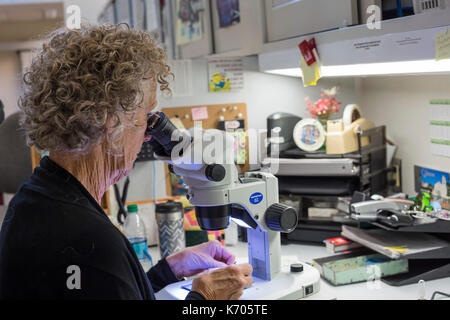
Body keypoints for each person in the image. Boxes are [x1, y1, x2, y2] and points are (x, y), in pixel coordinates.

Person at [0, 24, 252, 300]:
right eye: (146, 116)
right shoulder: (90, 241)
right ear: (110, 119)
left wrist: (167, 270)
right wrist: (204, 299)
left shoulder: (33, 200)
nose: (147, 136)